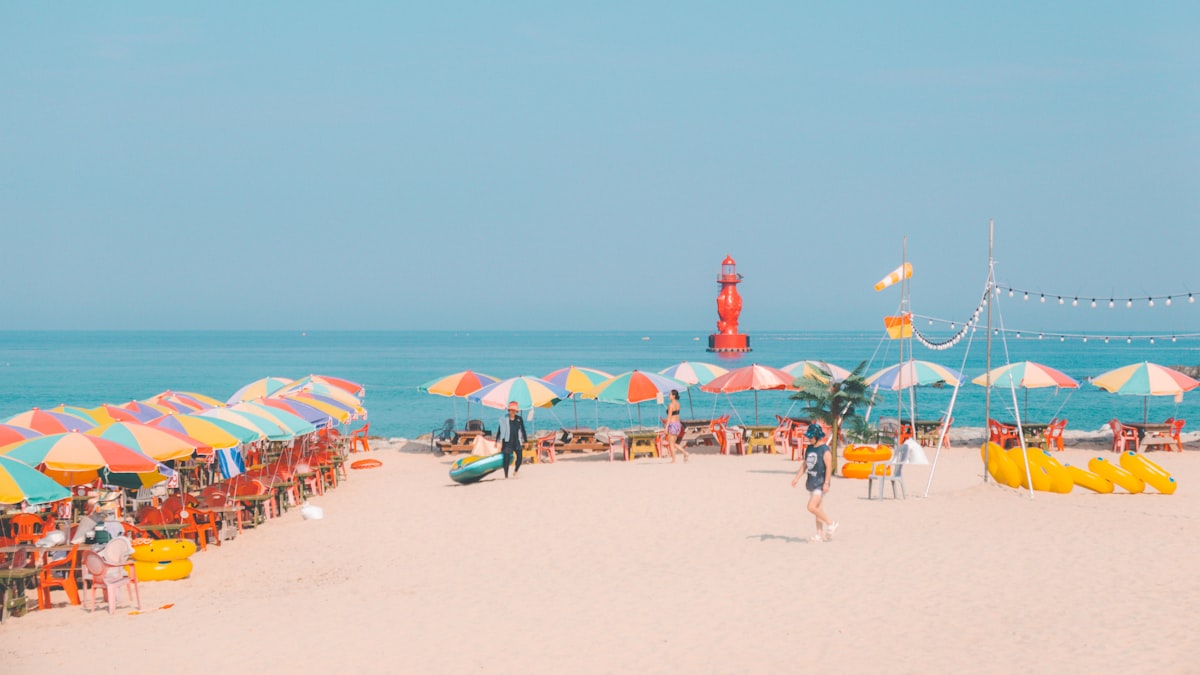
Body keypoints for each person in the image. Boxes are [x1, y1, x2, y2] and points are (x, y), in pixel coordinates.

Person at [791, 422, 838, 542]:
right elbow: (805, 465)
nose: (808, 439)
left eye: (810, 437)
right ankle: (819, 535)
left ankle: (831, 523)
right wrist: (796, 478)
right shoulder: (810, 448)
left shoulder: (825, 450)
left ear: (817, 437)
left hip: (820, 484)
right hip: (812, 482)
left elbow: (829, 467)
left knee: (811, 507)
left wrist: (826, 482)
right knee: (818, 510)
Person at [495, 401, 528, 479]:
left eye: (514, 410)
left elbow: (523, 430)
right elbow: (499, 430)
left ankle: (516, 471)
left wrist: (526, 441)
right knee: (506, 460)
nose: (513, 411)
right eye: (511, 410)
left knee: (520, 458)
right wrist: (497, 440)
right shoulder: (504, 419)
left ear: (516, 411)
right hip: (507, 442)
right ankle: (506, 475)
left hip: (517, 441)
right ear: (509, 410)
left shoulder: (519, 419)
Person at [664, 389, 689, 462]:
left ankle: (673, 460)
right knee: (673, 443)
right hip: (678, 424)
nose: (669, 396)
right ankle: (685, 453)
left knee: (671, 444)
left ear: (673, 396)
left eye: (670, 394)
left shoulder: (670, 405)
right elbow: (676, 414)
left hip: (672, 424)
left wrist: (666, 427)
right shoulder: (678, 404)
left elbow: (669, 417)